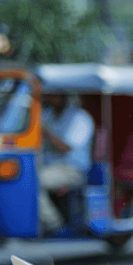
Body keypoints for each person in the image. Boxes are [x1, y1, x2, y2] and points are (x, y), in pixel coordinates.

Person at [39, 92, 94, 232]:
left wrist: (45, 132)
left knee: (33, 182)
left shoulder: (80, 118)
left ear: (63, 96)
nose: (48, 98)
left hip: (72, 170)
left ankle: (54, 224)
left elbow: (65, 148)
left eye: (52, 95)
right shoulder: (46, 114)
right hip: (50, 166)